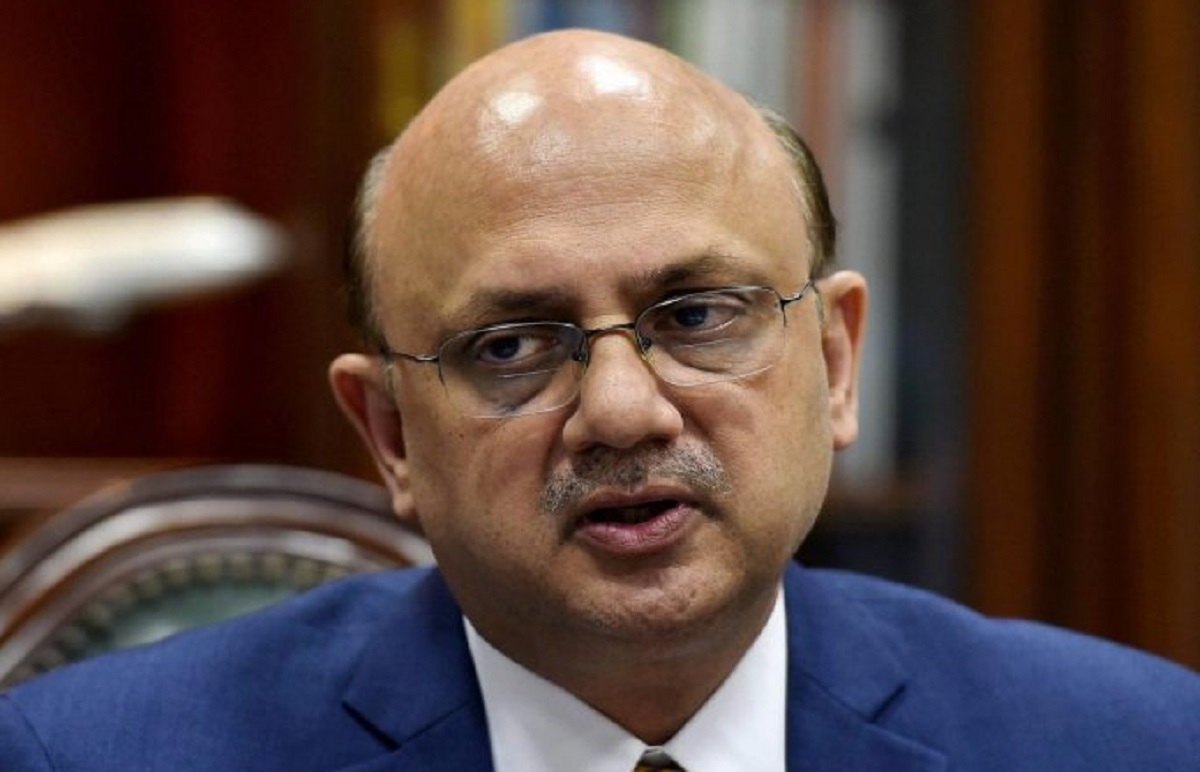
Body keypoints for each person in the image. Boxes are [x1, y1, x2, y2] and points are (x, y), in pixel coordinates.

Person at [1, 28, 1197, 772]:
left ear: (835, 362)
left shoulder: (1135, 743)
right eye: (513, 345)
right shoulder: (88, 757)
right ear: (390, 433)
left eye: (697, 315)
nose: (624, 413)